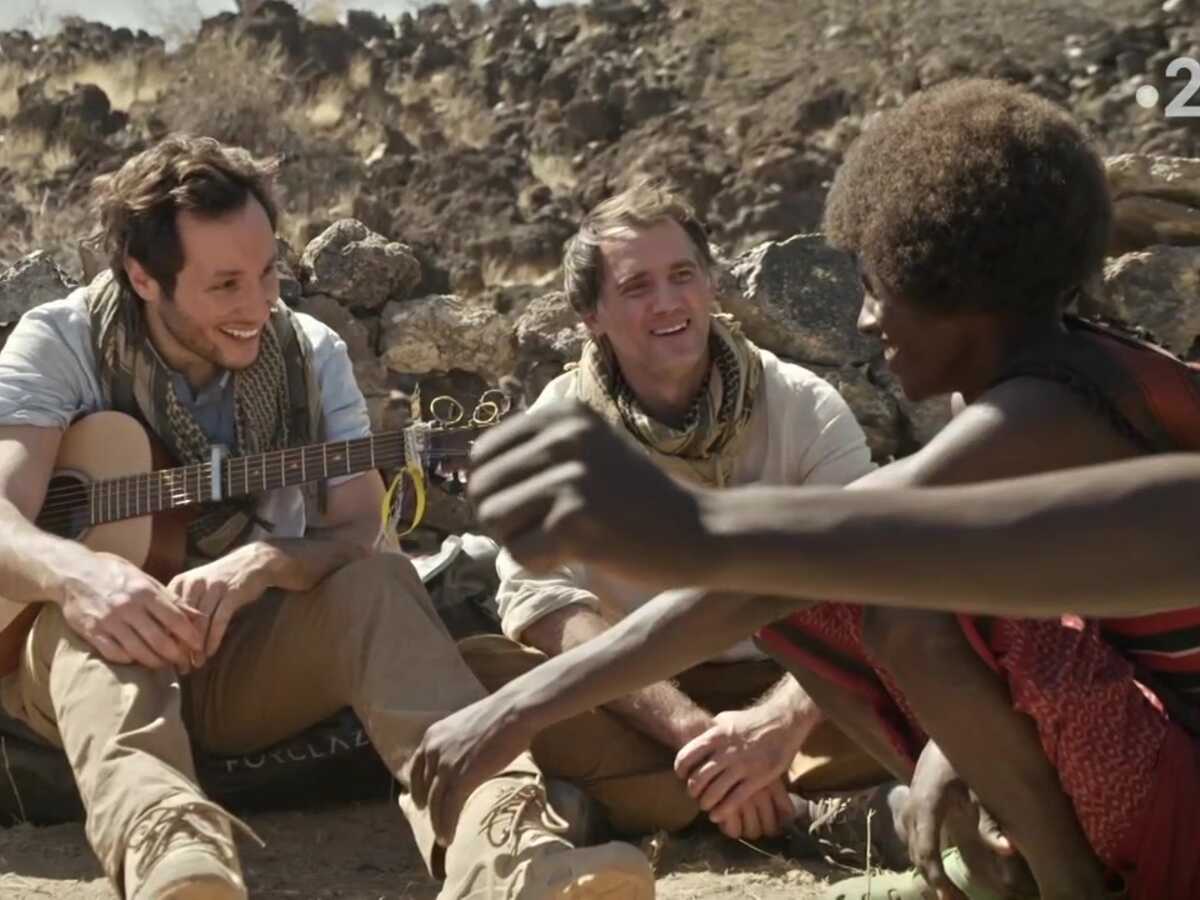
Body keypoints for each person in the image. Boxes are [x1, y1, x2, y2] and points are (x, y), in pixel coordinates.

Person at [411, 80, 1200, 900]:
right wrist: (949, 749)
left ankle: (1066, 884)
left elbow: (806, 559)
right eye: (637, 287)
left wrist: (517, 711)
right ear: (592, 317)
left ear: (951, 281)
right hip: (1134, 759)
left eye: (878, 286)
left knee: (849, 580)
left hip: (1173, 795)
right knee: (834, 587)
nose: (863, 323)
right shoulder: (1038, 378)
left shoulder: (1044, 409)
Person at [0, 135, 653, 900]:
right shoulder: (63, 340)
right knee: (91, 620)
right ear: (144, 276)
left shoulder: (312, 354)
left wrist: (267, 562)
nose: (257, 305)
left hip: (240, 658)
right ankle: (172, 860)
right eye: (225, 286)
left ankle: (509, 854)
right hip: (75, 670)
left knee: (379, 579)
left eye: (268, 272)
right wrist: (85, 576)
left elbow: (355, 528)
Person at [459, 179, 894, 847]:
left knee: (932, 648)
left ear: (711, 284)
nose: (668, 303)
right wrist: (693, 731)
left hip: (795, 687)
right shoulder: (558, 425)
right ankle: (797, 807)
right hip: (639, 694)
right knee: (478, 672)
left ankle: (651, 806)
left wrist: (775, 727)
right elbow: (543, 603)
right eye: (636, 287)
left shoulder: (802, 405)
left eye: (683, 275)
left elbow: (873, 577)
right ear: (590, 315)